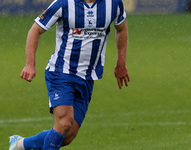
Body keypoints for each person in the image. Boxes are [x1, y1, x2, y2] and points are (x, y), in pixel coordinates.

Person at [9, 0, 130, 149]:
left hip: (87, 77)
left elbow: (121, 29)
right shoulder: (63, 3)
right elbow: (35, 29)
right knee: (64, 123)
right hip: (61, 72)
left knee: (67, 136)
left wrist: (121, 64)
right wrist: (30, 64)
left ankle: (20, 144)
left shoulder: (113, 4)